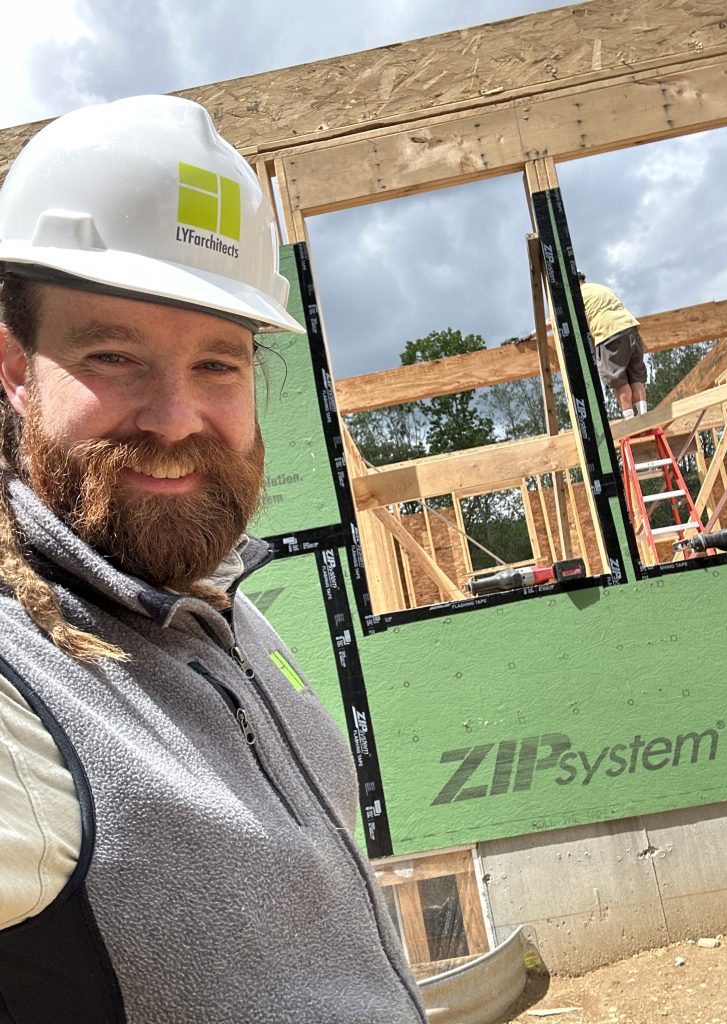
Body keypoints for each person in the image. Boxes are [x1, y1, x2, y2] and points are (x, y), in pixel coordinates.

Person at [0, 95, 425, 1024]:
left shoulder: (227, 615)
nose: (176, 418)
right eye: (113, 356)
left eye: (218, 365)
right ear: (14, 367)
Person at [577, 272, 648, 419]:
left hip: (609, 334)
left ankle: (630, 423)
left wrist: (533, 334)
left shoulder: (577, 296)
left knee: (619, 381)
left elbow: (555, 320)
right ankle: (644, 419)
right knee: (636, 378)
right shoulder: (602, 288)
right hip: (631, 329)